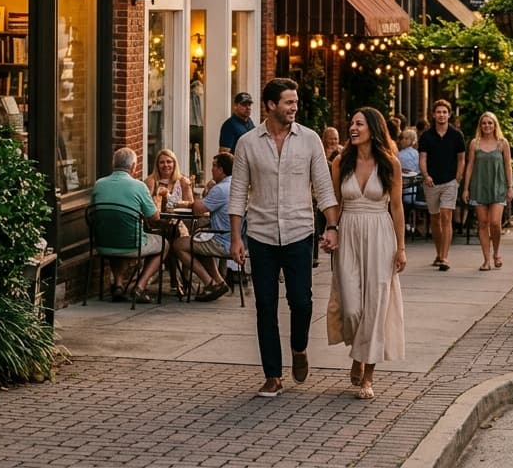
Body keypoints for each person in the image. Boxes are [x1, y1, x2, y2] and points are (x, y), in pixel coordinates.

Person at [229, 77, 339, 398]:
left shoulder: (309, 140)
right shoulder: (248, 143)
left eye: (296, 102)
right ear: (271, 105)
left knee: (301, 302)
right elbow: (237, 194)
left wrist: (331, 226)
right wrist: (236, 239)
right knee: (265, 305)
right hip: (261, 234)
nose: (294, 107)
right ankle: (273, 375)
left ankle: (300, 348)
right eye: (289, 102)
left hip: (299, 232)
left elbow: (323, 187)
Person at [326, 107, 406, 400]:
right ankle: (358, 352)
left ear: (373, 127)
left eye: (359, 123)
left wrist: (401, 247)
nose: (353, 127)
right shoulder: (340, 162)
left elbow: (396, 207)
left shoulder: (390, 164)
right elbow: (334, 202)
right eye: (351, 122)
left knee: (375, 306)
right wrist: (330, 229)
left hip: (381, 234)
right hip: (348, 232)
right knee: (350, 307)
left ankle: (368, 375)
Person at [92, 147, 165, 303]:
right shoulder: (139, 186)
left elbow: (94, 213)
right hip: (132, 245)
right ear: (133, 167)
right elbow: (154, 217)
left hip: (103, 243)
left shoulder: (99, 184)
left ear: (113, 165)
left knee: (116, 231)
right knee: (165, 244)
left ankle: (118, 285)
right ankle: (139, 286)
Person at [173, 151, 233, 301]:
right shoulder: (235, 185)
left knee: (179, 245)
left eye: (214, 166)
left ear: (221, 169)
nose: (211, 169)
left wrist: (207, 189)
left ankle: (209, 283)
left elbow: (197, 209)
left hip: (222, 240)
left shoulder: (221, 189)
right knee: (198, 241)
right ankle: (219, 282)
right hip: (232, 238)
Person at [417, 99, 466, 271]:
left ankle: (445, 257)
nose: (441, 115)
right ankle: (438, 253)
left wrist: (458, 178)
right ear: (433, 115)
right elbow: (422, 158)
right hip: (431, 182)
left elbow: (461, 158)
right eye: (438, 112)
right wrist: (426, 175)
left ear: (449, 115)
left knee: (446, 216)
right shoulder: (426, 136)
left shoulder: (456, 135)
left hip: (450, 182)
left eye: (444, 112)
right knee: (435, 219)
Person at [461, 111, 513, 271]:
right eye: (484, 123)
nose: (487, 126)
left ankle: (496, 253)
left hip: (498, 186)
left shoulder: (502, 143)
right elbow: (470, 166)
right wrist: (466, 188)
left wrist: (510, 187)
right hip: (479, 186)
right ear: (480, 126)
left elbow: (508, 165)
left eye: (490, 123)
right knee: (483, 223)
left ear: (495, 124)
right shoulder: (475, 143)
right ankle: (486, 260)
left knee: (495, 223)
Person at [144, 147, 194, 295]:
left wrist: (179, 201)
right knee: (170, 235)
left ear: (174, 163)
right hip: (156, 225)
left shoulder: (182, 181)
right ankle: (178, 280)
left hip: (178, 222)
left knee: (174, 234)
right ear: (157, 165)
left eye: (169, 162)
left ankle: (179, 279)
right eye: (162, 162)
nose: (166, 165)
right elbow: (147, 207)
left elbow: (190, 204)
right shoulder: (151, 181)